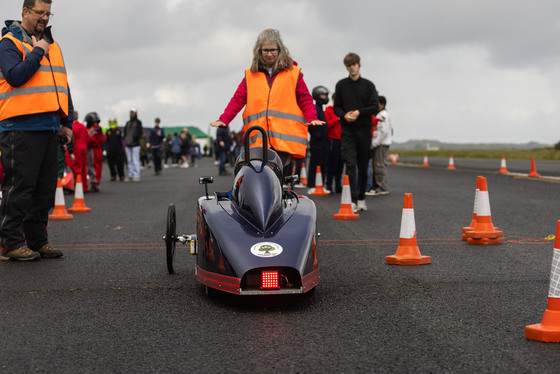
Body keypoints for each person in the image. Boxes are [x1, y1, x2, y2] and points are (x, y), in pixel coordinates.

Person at [0, 0, 73, 261]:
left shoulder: (53, 46)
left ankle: (37, 240)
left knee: (43, 191)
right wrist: (38, 50)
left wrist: (67, 122)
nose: (44, 18)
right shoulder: (9, 43)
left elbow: (63, 85)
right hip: (20, 128)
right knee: (19, 187)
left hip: (50, 127)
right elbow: (15, 77)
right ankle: (10, 243)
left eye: (48, 13)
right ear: (25, 12)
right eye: (39, 12)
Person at [210, 28, 323, 177]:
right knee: (261, 178)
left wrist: (312, 117)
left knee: (279, 180)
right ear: (259, 51)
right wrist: (224, 119)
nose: (269, 54)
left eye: (273, 50)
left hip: (284, 141)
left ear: (280, 50)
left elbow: (305, 98)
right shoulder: (250, 75)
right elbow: (237, 99)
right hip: (259, 140)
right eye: (265, 50)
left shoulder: (293, 73)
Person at [334, 52, 379, 212]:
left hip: (364, 131)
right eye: (348, 65)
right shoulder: (341, 85)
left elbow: (375, 106)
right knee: (350, 164)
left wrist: (359, 112)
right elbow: (336, 107)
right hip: (347, 131)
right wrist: (344, 115)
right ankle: (352, 200)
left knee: (362, 164)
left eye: (353, 64)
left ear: (359, 65)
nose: (351, 68)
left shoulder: (368, 85)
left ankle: (361, 198)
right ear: (346, 67)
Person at [368, 96, 392, 195]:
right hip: (381, 143)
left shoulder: (382, 115)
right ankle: (380, 186)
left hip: (381, 144)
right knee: (378, 165)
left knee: (379, 165)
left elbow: (384, 131)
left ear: (382, 105)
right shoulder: (381, 114)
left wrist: (375, 143)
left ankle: (382, 187)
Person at [325, 93, 343, 193]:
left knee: (340, 164)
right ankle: (328, 185)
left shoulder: (343, 111)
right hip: (333, 140)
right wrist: (337, 119)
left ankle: (338, 185)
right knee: (332, 163)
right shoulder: (328, 110)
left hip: (342, 140)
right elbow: (327, 124)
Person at [85, 112, 105, 192]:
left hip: (92, 150)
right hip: (98, 150)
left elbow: (88, 140)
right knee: (98, 166)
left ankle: (94, 184)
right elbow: (103, 139)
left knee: (92, 166)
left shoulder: (92, 130)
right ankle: (97, 182)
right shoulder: (99, 129)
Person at [70, 110, 89, 191]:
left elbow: (71, 139)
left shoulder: (72, 127)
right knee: (84, 166)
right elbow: (87, 137)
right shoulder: (83, 126)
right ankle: (85, 186)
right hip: (84, 147)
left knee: (76, 167)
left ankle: (78, 186)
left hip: (76, 147)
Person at [124, 107, 142, 182]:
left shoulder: (138, 122)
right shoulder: (128, 123)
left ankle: (136, 175)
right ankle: (130, 174)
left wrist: (135, 138)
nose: (132, 114)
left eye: (133, 112)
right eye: (131, 112)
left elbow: (139, 132)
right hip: (128, 144)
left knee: (135, 160)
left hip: (135, 144)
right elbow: (125, 132)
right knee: (129, 160)